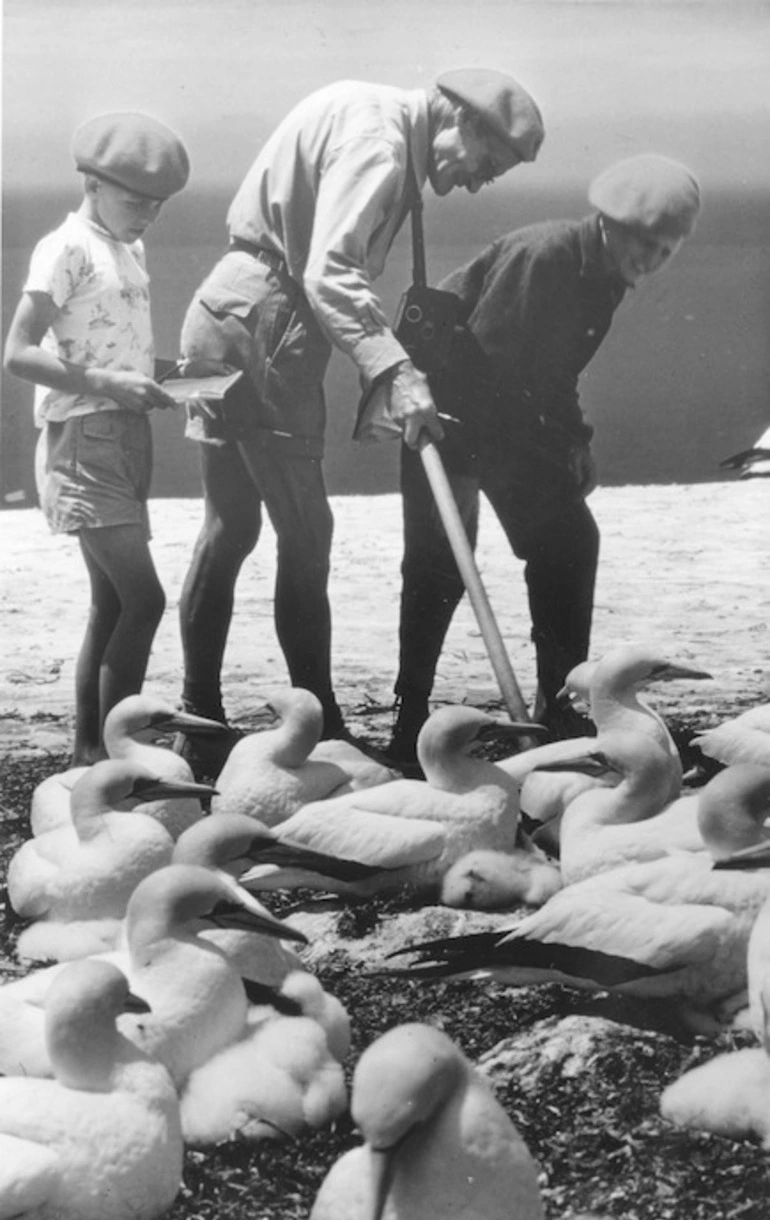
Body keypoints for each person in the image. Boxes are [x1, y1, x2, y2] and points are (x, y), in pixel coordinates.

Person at [175, 68, 545, 776]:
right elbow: (328, 273)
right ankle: (320, 728)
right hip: (269, 322)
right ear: (459, 122)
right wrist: (398, 372)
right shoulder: (380, 145)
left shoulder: (367, 107)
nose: (476, 182)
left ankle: (200, 724)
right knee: (308, 534)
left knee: (228, 527)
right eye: (486, 164)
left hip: (218, 310)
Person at [386, 153, 702, 762]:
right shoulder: (550, 257)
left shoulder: (604, 271)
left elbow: (551, 374)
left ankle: (558, 705)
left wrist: (572, 442)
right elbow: (491, 369)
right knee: (438, 567)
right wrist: (548, 451)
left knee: (569, 542)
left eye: (665, 251)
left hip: (504, 420)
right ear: (608, 223)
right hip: (443, 414)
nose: (650, 260)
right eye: (643, 242)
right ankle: (409, 719)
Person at [3, 112, 190, 764]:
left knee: (112, 602)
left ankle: (91, 750)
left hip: (122, 433)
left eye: (158, 205)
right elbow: (18, 353)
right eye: (136, 200)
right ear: (91, 181)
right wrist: (112, 384)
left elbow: (110, 340)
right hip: (84, 438)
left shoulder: (125, 248)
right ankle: (116, 753)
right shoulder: (67, 248)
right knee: (145, 597)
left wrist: (168, 375)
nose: (147, 215)